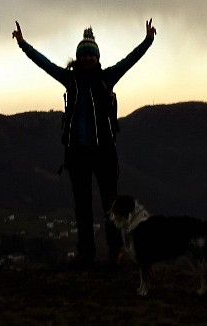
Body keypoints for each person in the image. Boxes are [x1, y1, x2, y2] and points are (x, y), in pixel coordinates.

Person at [13, 18, 156, 267]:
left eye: (91, 55)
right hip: (77, 153)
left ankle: (115, 252)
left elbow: (129, 62)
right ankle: (86, 252)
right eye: (84, 55)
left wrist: (147, 41)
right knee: (82, 206)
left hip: (104, 152)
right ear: (78, 58)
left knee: (110, 206)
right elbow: (44, 64)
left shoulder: (106, 78)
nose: (88, 59)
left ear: (97, 58)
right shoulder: (71, 80)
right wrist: (24, 45)